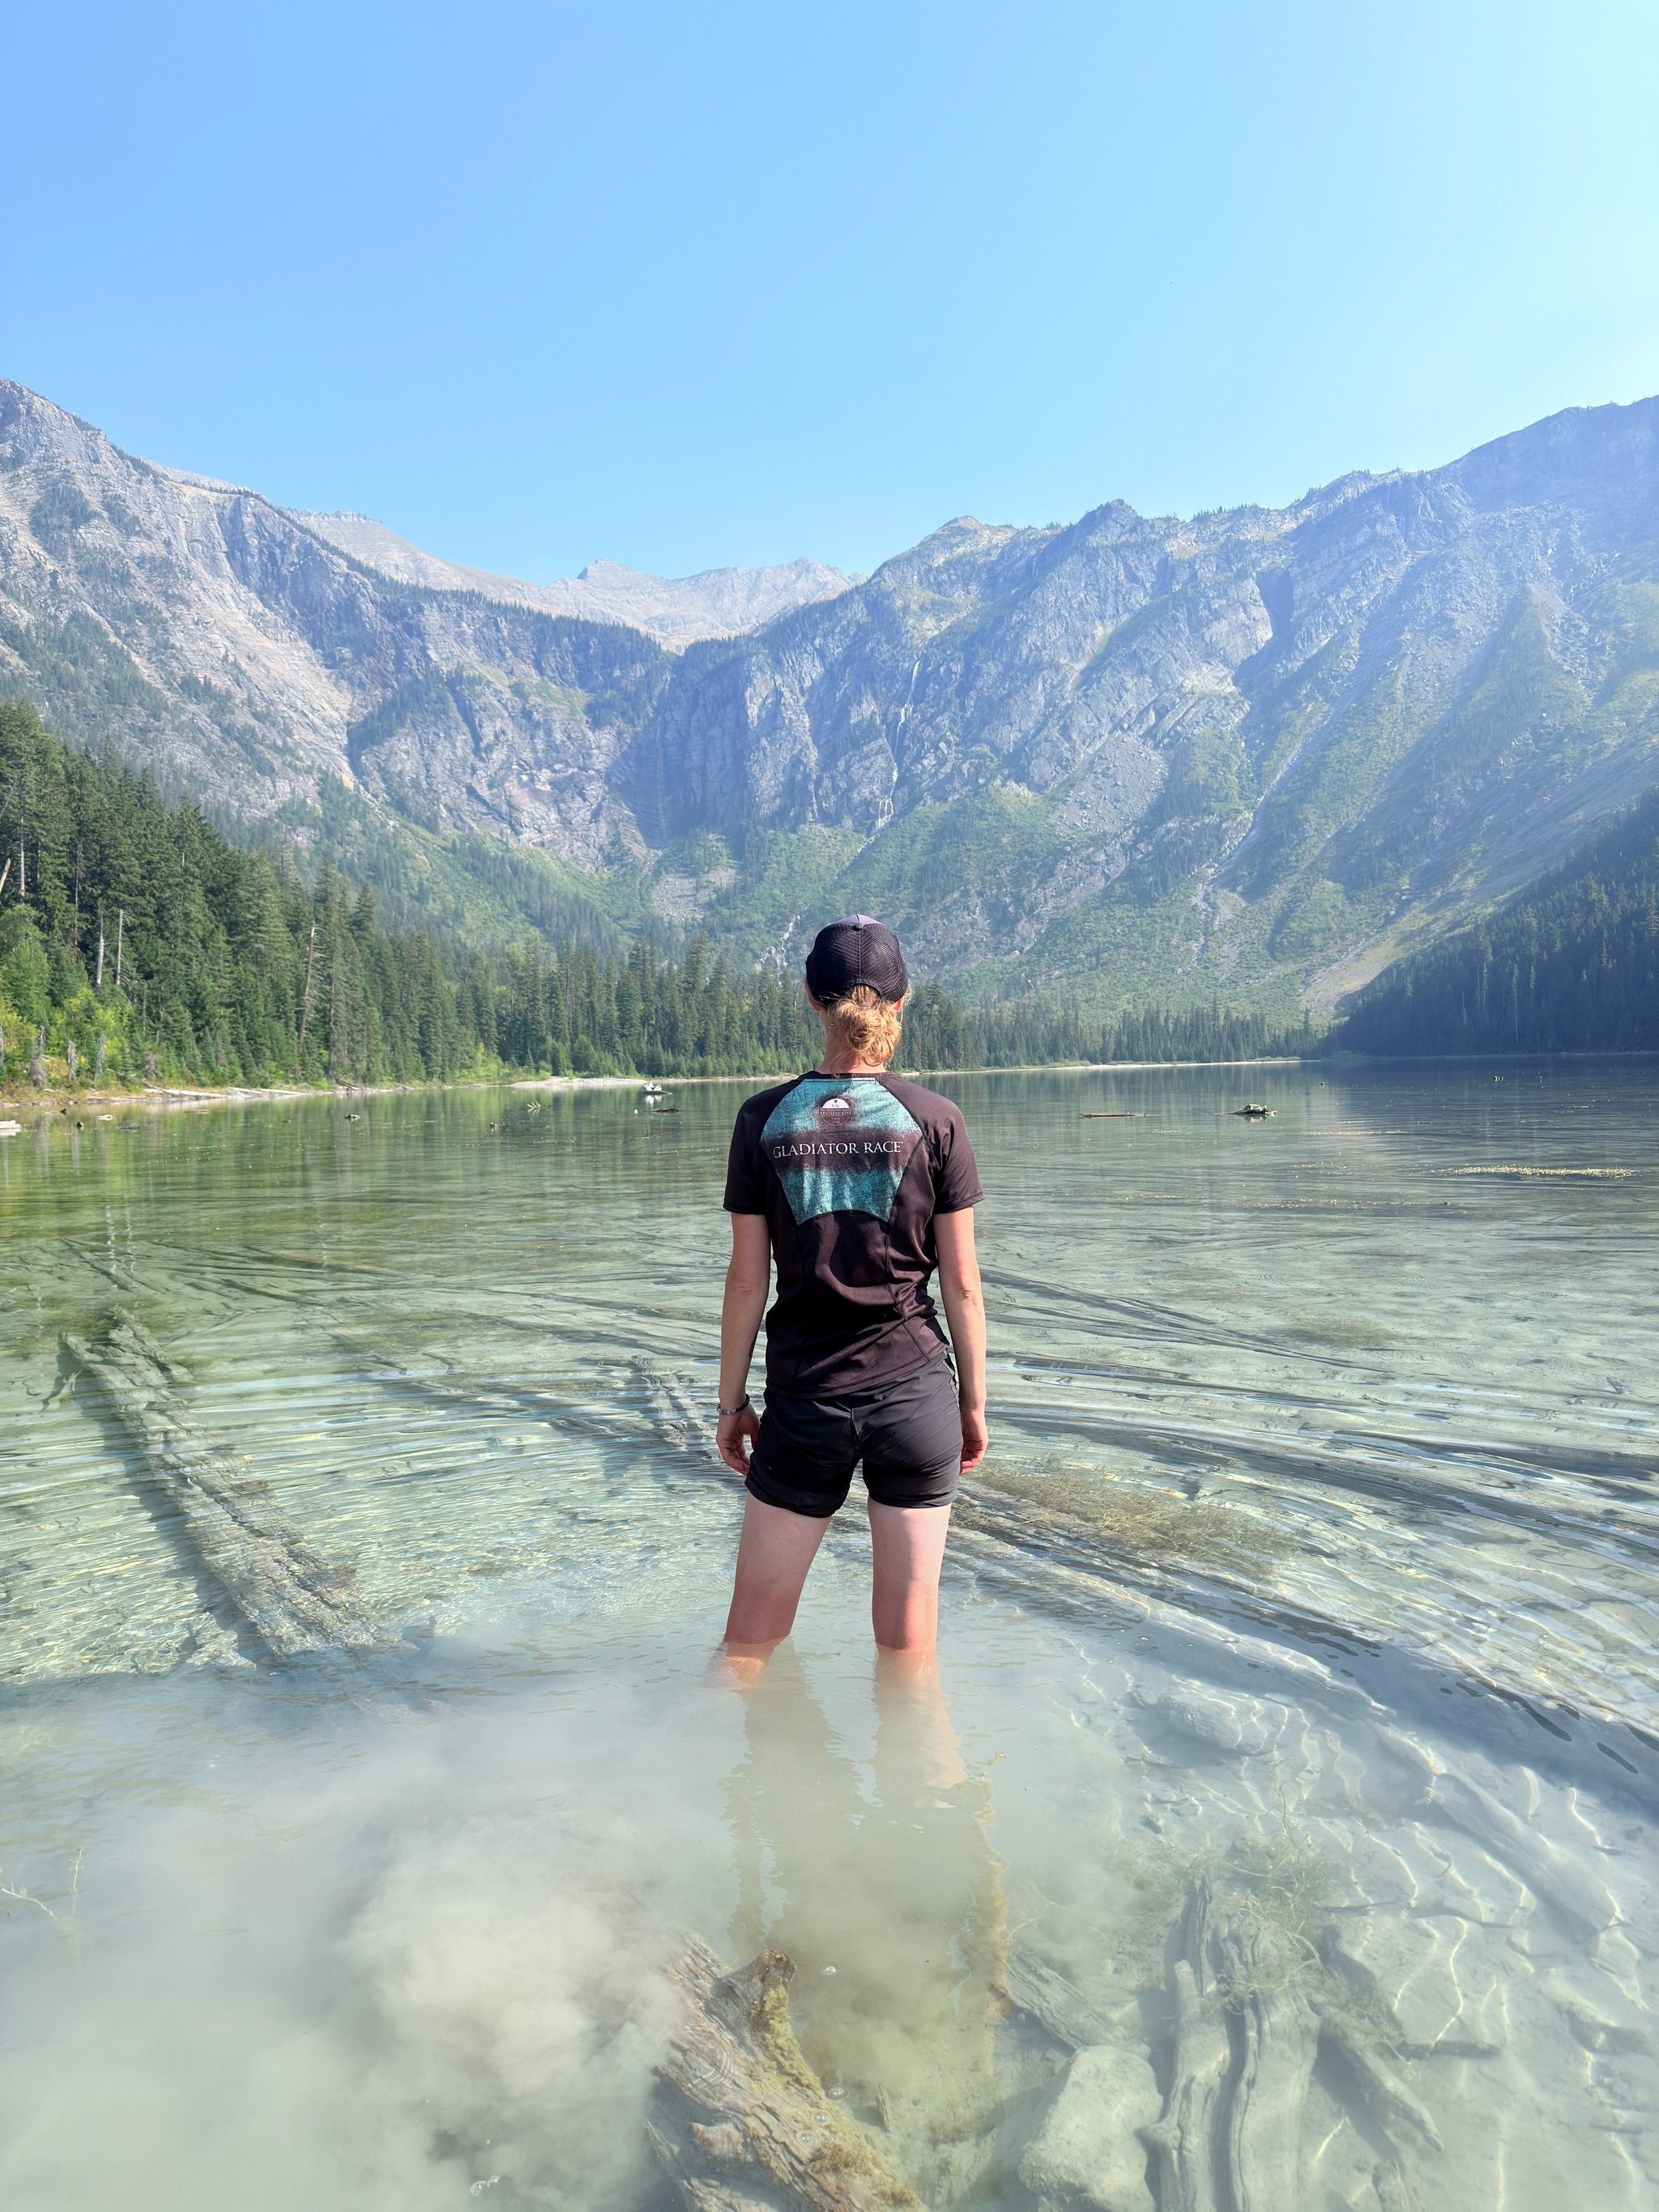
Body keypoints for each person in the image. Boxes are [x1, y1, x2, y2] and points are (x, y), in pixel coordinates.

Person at [715, 915, 987, 1662]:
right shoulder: (937, 1120)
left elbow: (747, 1281)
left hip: (805, 1401)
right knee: (909, 1656)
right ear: (901, 1001)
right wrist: (970, 1403)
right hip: (916, 1398)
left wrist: (732, 1405)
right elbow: (963, 1285)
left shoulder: (763, 1119)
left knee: (747, 1649)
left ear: (812, 997)